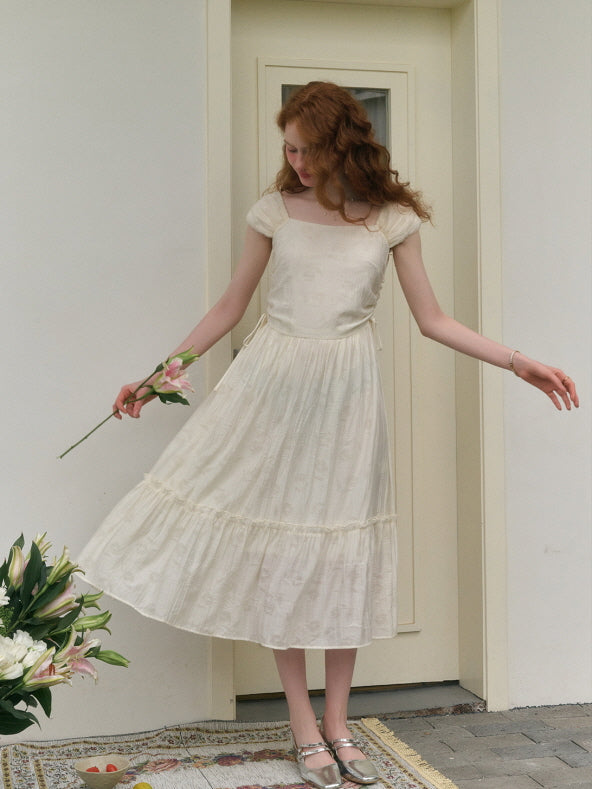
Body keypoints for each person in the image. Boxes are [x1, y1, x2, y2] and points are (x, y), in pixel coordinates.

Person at [78, 82, 578, 789]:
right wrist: (161, 373)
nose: (296, 161)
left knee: (342, 552)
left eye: (308, 148)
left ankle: (340, 722)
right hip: (273, 387)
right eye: (287, 147)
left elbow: (433, 319)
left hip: (348, 395)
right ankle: (302, 724)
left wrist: (518, 360)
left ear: (342, 143)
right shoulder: (274, 212)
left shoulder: (391, 221)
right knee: (284, 546)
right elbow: (230, 305)